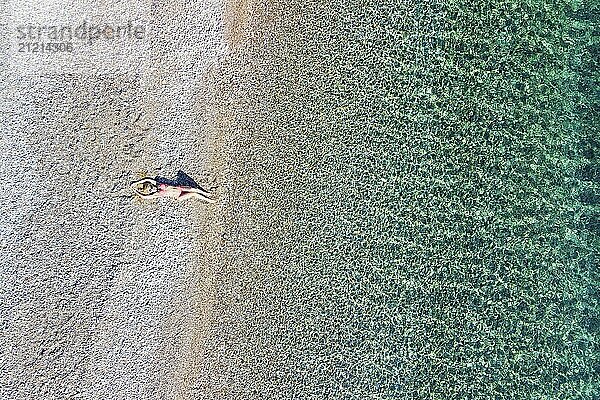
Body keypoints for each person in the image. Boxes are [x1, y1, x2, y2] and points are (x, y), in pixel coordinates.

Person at [131, 178, 215, 203]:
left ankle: (206, 193)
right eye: (150, 189)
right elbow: (144, 196)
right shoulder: (156, 194)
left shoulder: (157, 183)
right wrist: (136, 191)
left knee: (194, 189)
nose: (151, 188)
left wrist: (136, 183)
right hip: (179, 196)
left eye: (150, 186)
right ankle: (209, 200)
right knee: (193, 193)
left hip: (179, 188)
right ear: (149, 191)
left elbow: (147, 179)